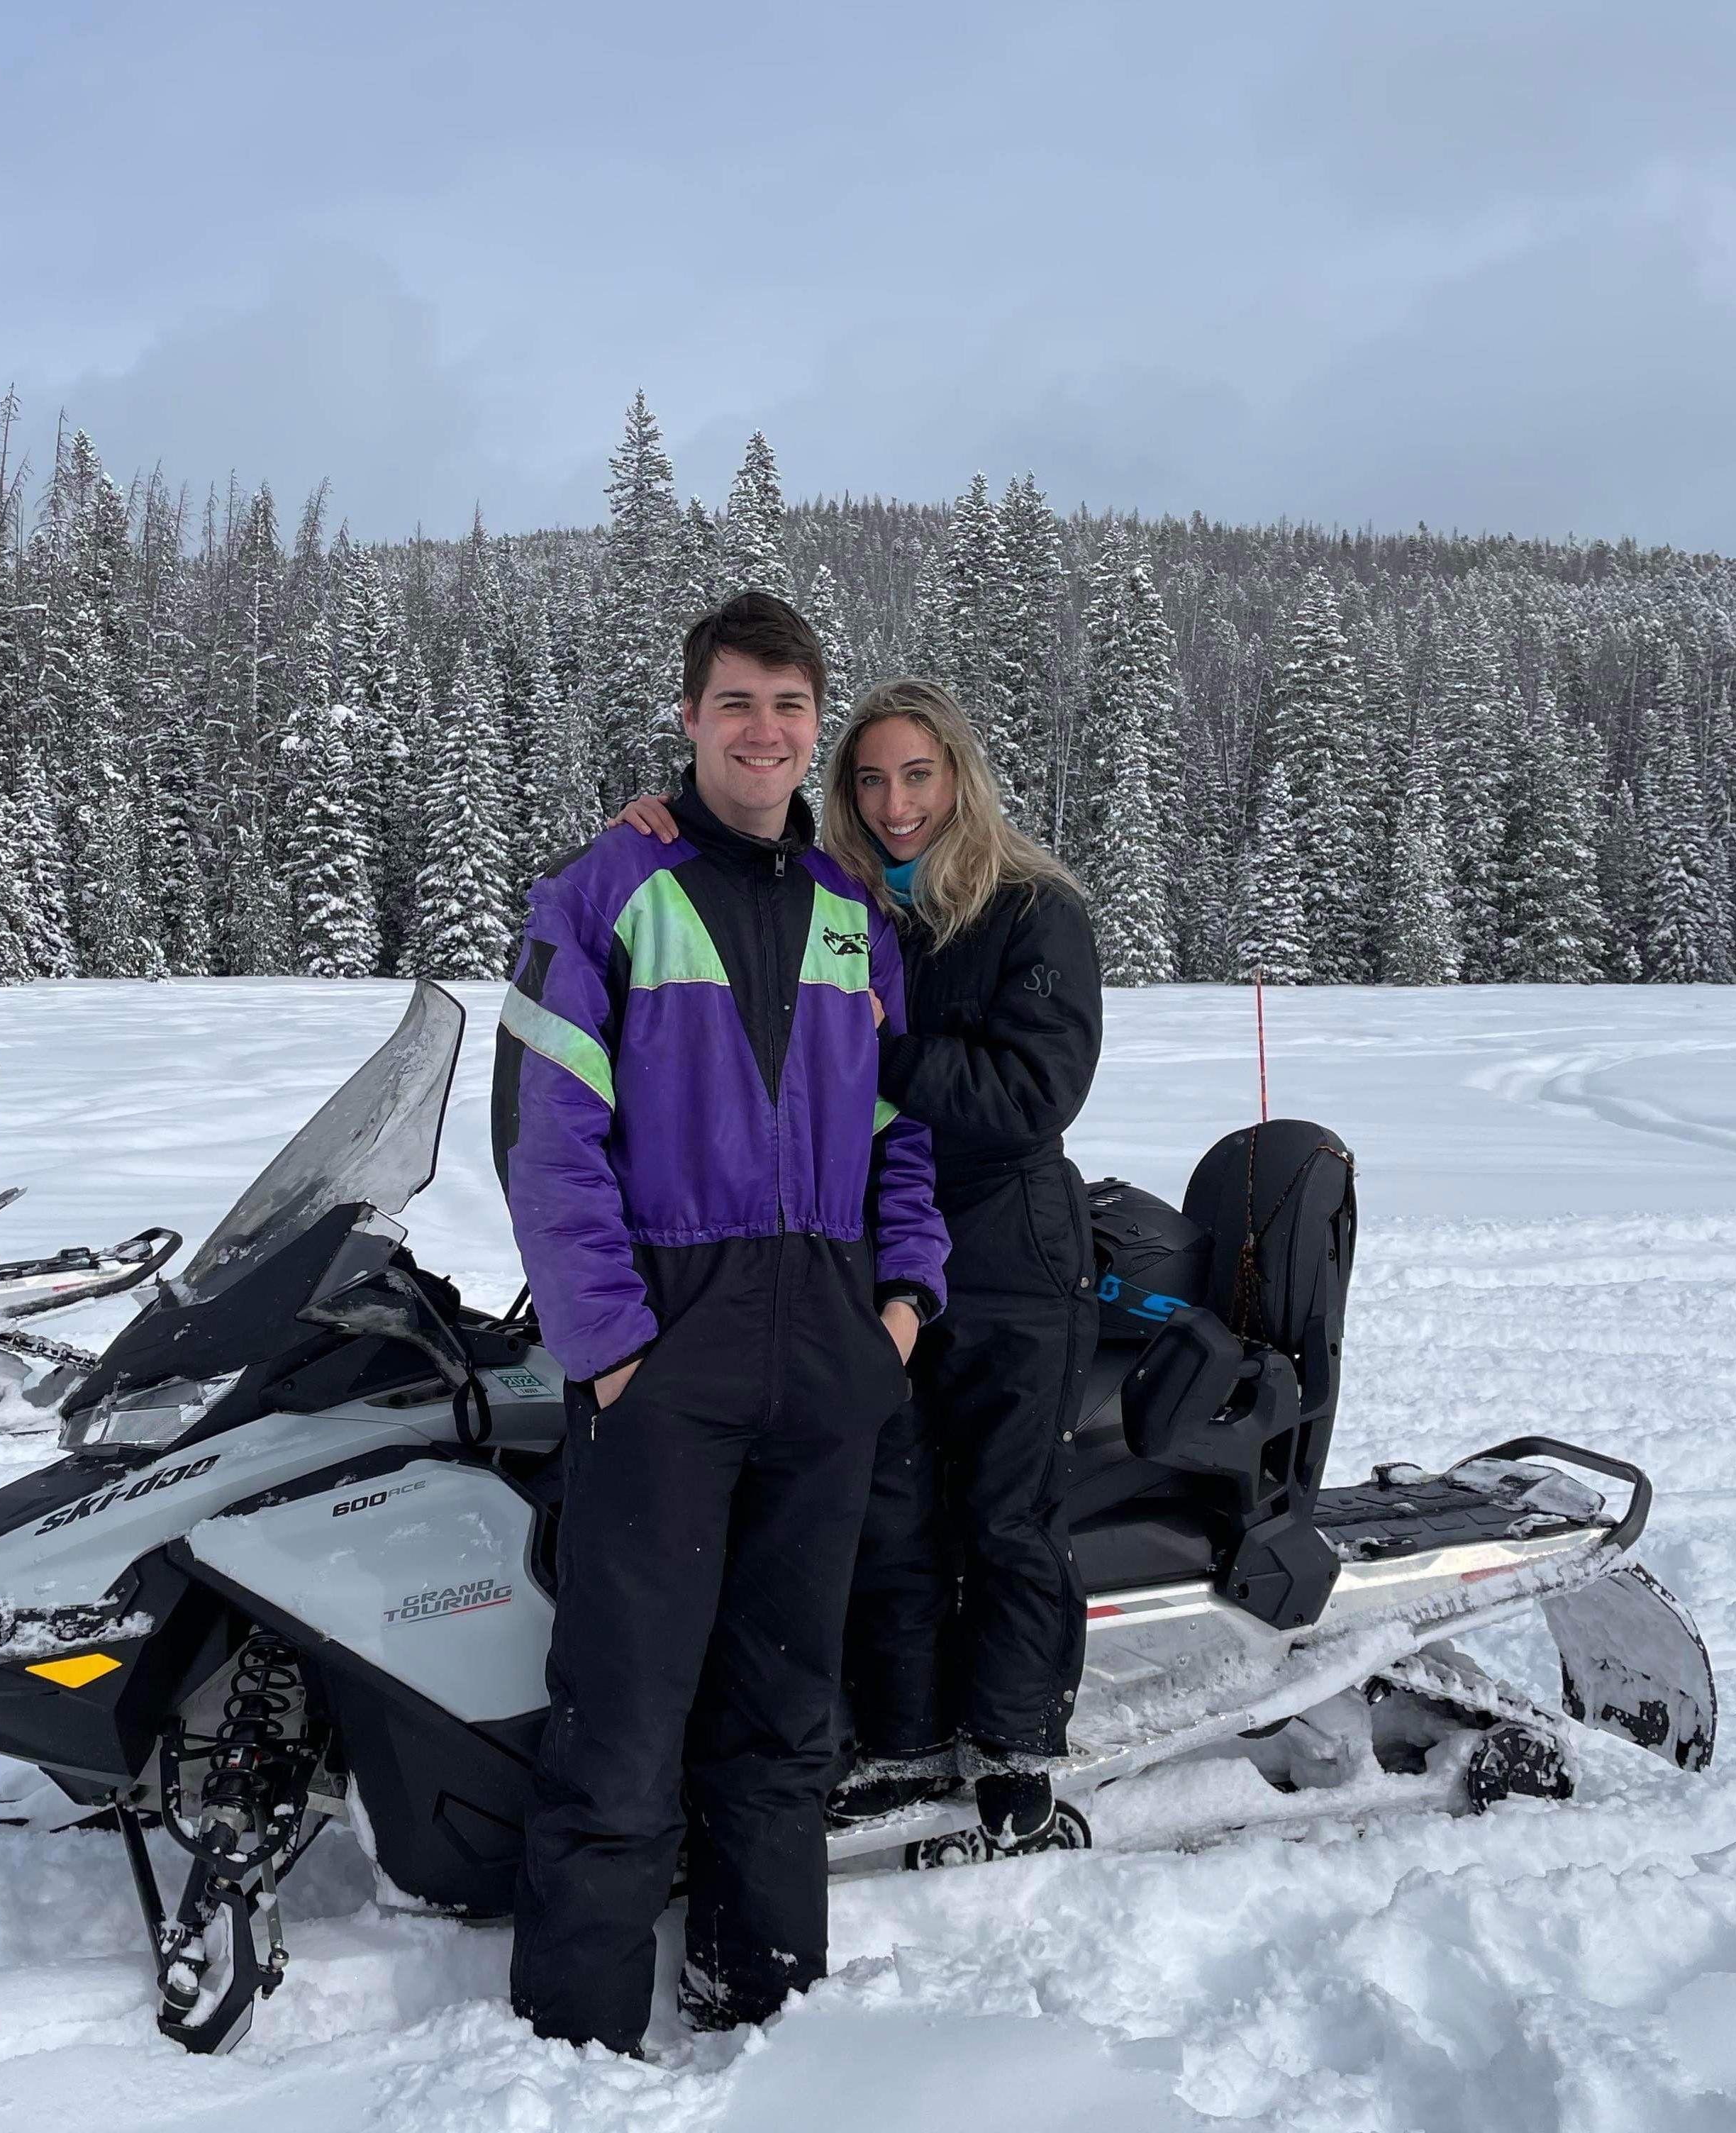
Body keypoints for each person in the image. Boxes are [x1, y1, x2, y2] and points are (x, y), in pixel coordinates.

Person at [492, 593, 950, 2057]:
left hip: (822, 1350)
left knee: (782, 1712)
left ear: (816, 726)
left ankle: (764, 2011)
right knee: (623, 1711)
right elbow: (543, 1136)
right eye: (738, 703)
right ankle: (573, 2042)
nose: (766, 732)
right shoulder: (606, 889)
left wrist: (897, 1303)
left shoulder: (846, 911)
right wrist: (613, 1348)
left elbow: (898, 1134)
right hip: (666, 1352)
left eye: (790, 706)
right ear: (690, 719)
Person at [617, 675, 1101, 1850]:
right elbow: (738, 871)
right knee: (885, 1508)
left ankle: (1016, 1744)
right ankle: (900, 1735)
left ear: (961, 777)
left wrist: (884, 1050)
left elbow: (1035, 1094)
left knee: (1004, 1515)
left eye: (918, 776)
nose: (895, 804)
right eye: (871, 780)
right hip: (869, 1249)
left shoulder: (1030, 910)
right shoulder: (842, 904)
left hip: (1008, 1253)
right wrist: (665, 825)